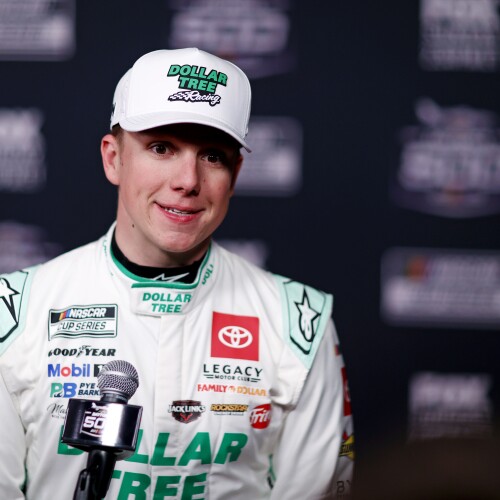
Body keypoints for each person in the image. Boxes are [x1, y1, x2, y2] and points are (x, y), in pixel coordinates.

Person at [0, 48, 354, 499]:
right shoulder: (15, 311)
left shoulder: (300, 322)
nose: (188, 180)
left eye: (212, 155)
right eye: (162, 148)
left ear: (235, 174)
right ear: (113, 159)